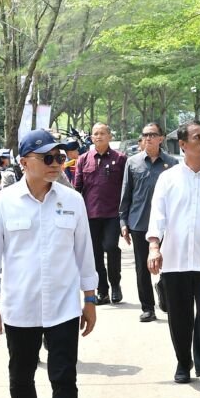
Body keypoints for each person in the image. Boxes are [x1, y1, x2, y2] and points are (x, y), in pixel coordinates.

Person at [0, 129, 98, 398]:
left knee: (64, 379)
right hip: (20, 306)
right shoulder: (3, 202)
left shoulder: (72, 200)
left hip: (63, 306)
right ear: (24, 161)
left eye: (59, 158)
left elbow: (84, 253)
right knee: (20, 375)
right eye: (47, 158)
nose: (55, 164)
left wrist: (89, 299)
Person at [147, 121, 200, 396]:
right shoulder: (169, 178)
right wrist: (154, 246)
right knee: (179, 318)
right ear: (182, 145)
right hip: (175, 260)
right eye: (198, 137)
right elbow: (158, 215)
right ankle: (183, 361)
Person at [119, 123, 177, 322]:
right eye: (145, 135)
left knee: (168, 266)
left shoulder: (172, 163)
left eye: (153, 135)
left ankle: (167, 297)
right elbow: (126, 193)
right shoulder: (132, 163)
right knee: (142, 268)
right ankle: (147, 307)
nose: (148, 138)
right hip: (139, 222)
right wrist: (123, 221)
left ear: (161, 138)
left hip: (166, 225)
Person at [74, 123, 127, 306]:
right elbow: (77, 189)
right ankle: (102, 290)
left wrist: (125, 215)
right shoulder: (83, 160)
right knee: (95, 254)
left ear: (110, 136)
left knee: (111, 247)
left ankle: (116, 284)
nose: (99, 136)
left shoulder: (121, 159)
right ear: (91, 138)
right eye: (95, 134)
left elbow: (126, 189)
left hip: (113, 214)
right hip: (90, 215)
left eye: (102, 133)